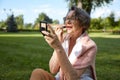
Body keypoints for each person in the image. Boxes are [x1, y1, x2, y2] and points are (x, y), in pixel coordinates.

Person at [30, 6, 97, 80]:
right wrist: (59, 44)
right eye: (67, 18)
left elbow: (72, 78)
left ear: (83, 24)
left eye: (73, 18)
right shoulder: (64, 38)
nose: (68, 21)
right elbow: (53, 69)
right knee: (38, 73)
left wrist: (59, 47)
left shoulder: (90, 46)